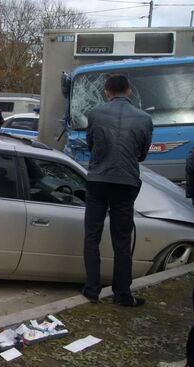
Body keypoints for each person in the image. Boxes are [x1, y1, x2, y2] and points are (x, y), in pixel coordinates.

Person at [82, 75, 153, 307]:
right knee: (122, 239)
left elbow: (91, 145)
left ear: (106, 91)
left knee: (92, 235)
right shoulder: (145, 119)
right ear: (129, 91)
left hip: (98, 180)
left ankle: (92, 289)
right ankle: (122, 294)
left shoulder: (95, 114)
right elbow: (141, 154)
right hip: (126, 182)